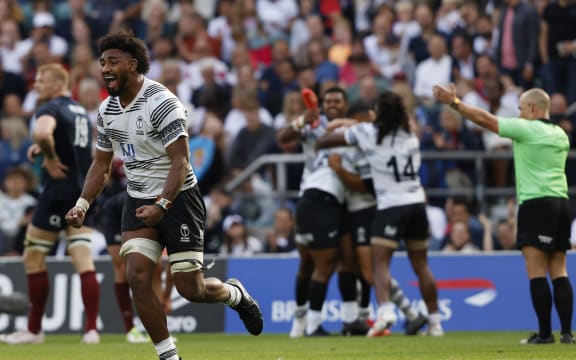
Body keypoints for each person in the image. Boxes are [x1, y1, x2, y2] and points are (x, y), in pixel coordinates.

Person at [65, 30, 262, 360]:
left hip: (179, 198)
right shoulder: (107, 110)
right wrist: (82, 204)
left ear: (133, 63)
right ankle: (169, 356)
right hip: (139, 198)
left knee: (191, 288)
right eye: (102, 63)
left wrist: (163, 205)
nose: (105, 68)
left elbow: (181, 161)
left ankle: (234, 294)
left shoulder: (161, 102)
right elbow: (100, 164)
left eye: (112, 61)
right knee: (137, 275)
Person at [432, 83, 575, 344]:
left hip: (536, 203)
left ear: (532, 108)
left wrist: (454, 102)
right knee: (559, 270)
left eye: (521, 109)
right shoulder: (562, 135)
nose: (519, 114)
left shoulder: (527, 128)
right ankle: (567, 333)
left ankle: (545, 335)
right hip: (562, 204)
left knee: (536, 272)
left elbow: (486, 120)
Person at [315, 91, 444, 337]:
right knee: (422, 267)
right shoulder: (411, 135)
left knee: (379, 263)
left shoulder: (367, 134)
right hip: (417, 204)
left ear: (378, 114)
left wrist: (326, 136)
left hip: (390, 205)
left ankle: (385, 312)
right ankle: (436, 324)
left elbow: (326, 141)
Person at [0, 64, 101, 344]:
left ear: (58, 84)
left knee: (33, 257)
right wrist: (42, 150)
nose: (36, 84)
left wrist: (50, 157)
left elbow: (43, 133)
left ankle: (34, 331)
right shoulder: (79, 110)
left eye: (42, 80)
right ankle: (91, 329)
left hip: (57, 192)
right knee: (83, 259)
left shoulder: (50, 108)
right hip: (83, 192)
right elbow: (71, 144)